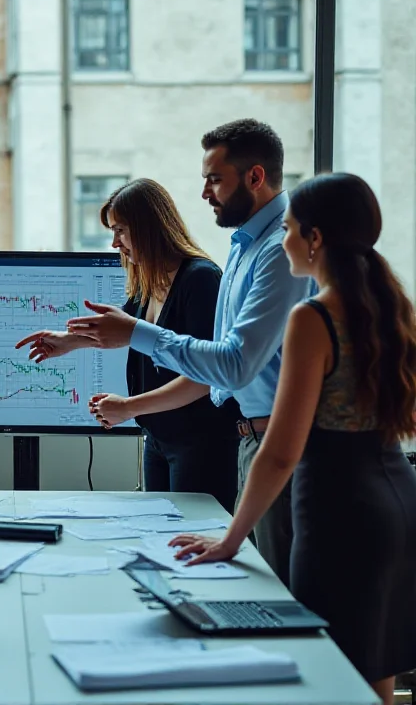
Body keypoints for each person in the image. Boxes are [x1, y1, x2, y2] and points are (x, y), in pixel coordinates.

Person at [169, 173, 416, 705]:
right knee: (373, 675)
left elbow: (281, 451)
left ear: (316, 239)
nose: (283, 242)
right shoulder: (390, 305)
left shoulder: (312, 317)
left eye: (287, 229)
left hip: (338, 506)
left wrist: (231, 540)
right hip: (397, 497)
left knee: (325, 671)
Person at [66, 119, 312, 587]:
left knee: (276, 594)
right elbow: (216, 356)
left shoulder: (280, 250)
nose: (204, 193)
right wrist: (77, 339)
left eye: (214, 179)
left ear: (255, 177)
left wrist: (136, 355)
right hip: (254, 441)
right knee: (241, 579)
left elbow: (229, 365)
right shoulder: (244, 246)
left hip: (272, 443)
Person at [16, 179, 240, 512]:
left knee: (192, 540)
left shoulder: (201, 279)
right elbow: (121, 331)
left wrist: (128, 407)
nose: (114, 243)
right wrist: (67, 342)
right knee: (160, 535)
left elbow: (203, 379)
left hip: (201, 443)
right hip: (160, 440)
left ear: (148, 227)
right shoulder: (148, 282)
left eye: (120, 231)